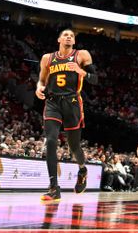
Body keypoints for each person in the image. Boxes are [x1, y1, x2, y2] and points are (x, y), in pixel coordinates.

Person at [36, 29, 98, 202]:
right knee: (50, 141)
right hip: (52, 102)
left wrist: (81, 71)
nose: (69, 36)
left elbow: (96, 79)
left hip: (72, 103)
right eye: (65, 35)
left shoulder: (82, 55)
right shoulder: (47, 58)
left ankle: (83, 170)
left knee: (74, 146)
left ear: (74, 41)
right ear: (59, 39)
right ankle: (53, 188)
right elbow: (42, 80)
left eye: (72, 35)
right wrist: (39, 87)